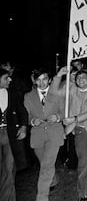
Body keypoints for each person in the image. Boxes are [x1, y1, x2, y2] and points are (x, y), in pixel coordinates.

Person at [50, 67, 87, 201]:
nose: (80, 80)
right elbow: (53, 92)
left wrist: (74, 118)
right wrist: (59, 75)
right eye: (78, 78)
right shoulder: (71, 90)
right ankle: (83, 192)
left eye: (83, 77)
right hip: (80, 130)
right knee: (82, 163)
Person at [24, 69, 64, 201]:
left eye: (45, 79)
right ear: (34, 81)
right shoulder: (28, 96)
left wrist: (58, 117)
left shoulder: (57, 94)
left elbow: (66, 112)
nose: (41, 83)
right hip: (38, 135)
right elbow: (27, 114)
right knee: (45, 163)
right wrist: (32, 120)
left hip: (54, 133)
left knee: (46, 165)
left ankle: (42, 197)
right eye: (38, 80)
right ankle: (53, 179)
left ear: (50, 79)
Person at [0, 68, 28, 201]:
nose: (10, 79)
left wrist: (23, 127)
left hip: (10, 134)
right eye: (6, 78)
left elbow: (22, 111)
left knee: (9, 169)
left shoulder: (13, 93)